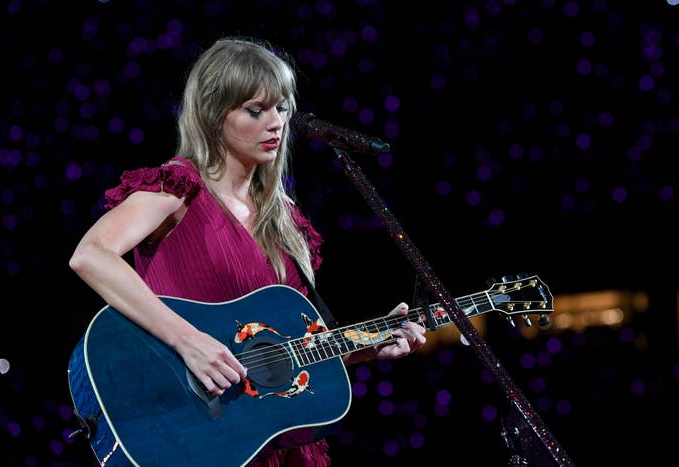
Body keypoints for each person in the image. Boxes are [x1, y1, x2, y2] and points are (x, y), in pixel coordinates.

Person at [69, 36, 427, 466]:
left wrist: (368, 345)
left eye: (282, 109)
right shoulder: (177, 188)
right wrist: (189, 340)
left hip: (270, 440)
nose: (275, 123)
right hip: (193, 430)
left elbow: (283, 353)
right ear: (213, 115)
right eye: (255, 111)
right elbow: (90, 254)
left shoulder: (286, 220)